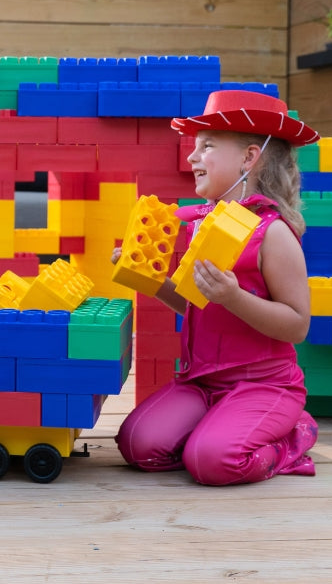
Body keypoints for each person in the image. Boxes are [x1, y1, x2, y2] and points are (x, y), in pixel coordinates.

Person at [113, 89, 320, 485]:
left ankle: (291, 437)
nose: (192, 157)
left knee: (212, 464)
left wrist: (233, 296)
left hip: (264, 384)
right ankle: (218, 426)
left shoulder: (273, 233)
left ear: (249, 158)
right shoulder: (201, 226)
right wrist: (151, 280)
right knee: (137, 444)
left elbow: (297, 325)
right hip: (201, 382)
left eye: (207, 146)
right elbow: (196, 302)